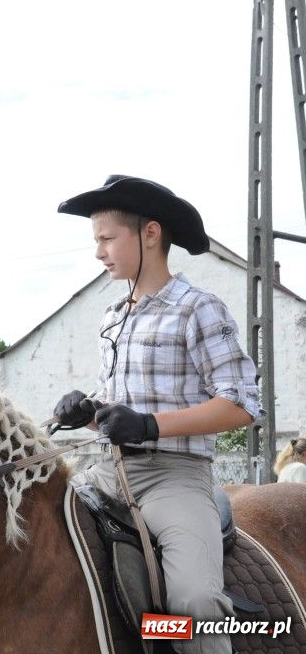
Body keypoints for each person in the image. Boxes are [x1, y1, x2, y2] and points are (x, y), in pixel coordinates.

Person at [53, 175, 260, 654]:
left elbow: (242, 405)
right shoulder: (111, 315)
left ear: (149, 234)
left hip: (175, 478)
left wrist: (150, 426)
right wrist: (87, 412)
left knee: (194, 602)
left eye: (107, 239)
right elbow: (117, 409)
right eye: (95, 241)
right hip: (105, 474)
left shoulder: (199, 309)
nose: (98, 252)